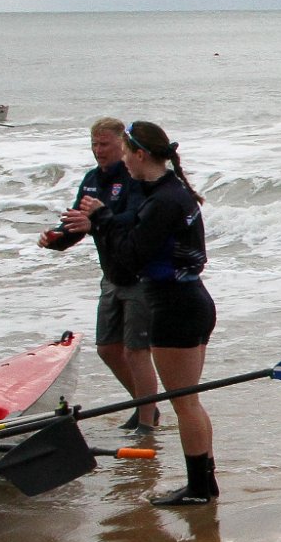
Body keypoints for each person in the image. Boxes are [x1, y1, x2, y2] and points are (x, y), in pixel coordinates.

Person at [86, 120, 218, 505]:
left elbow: (128, 259)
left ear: (140, 154)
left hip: (173, 307)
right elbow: (134, 227)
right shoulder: (169, 191)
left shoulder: (163, 201)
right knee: (190, 400)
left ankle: (198, 489)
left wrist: (100, 222)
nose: (122, 160)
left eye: (126, 152)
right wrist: (109, 219)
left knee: (185, 403)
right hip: (192, 300)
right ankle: (205, 483)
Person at [38, 118, 162, 433]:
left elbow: (135, 219)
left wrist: (98, 219)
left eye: (104, 144)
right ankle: (146, 405)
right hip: (111, 274)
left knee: (137, 351)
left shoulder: (135, 177)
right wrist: (57, 239)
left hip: (140, 276)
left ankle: (146, 422)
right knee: (108, 348)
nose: (98, 151)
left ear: (123, 144)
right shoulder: (93, 179)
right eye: (94, 144)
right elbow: (78, 223)